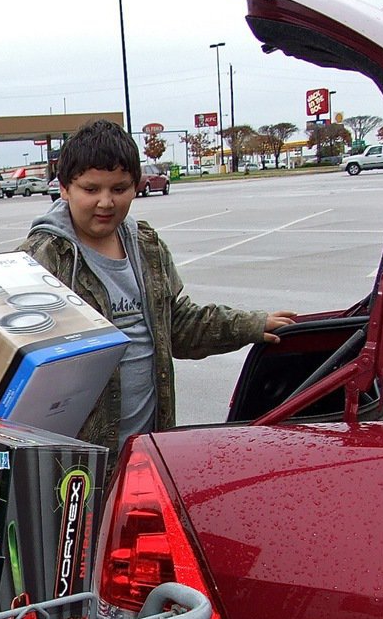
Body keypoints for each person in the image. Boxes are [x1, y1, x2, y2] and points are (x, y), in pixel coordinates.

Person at [20, 119, 297, 466]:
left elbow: (177, 326)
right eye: (91, 189)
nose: (106, 202)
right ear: (64, 188)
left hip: (146, 449)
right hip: (76, 463)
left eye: (119, 189)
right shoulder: (41, 257)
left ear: (136, 187)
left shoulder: (147, 246)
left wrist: (251, 325)